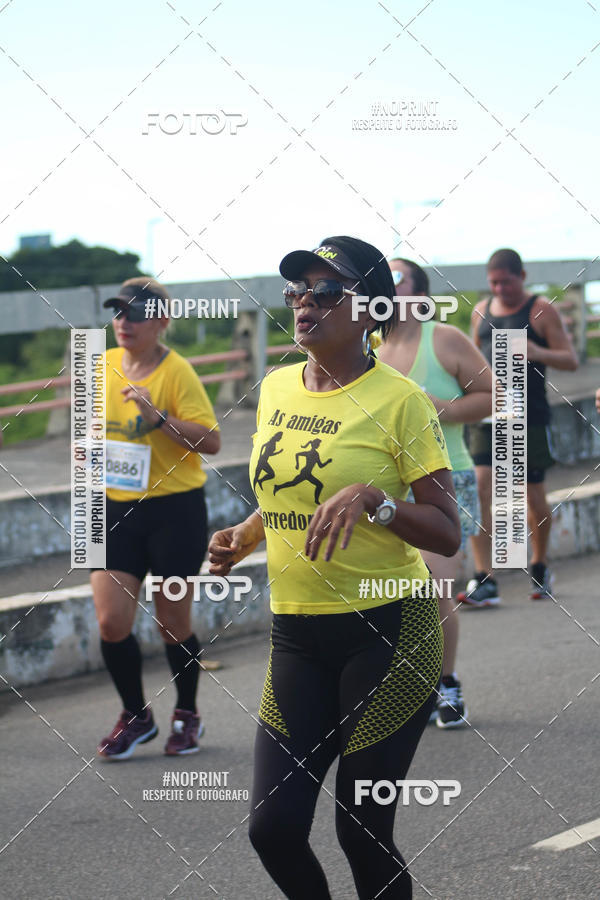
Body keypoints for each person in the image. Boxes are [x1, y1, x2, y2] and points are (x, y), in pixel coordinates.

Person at [208, 236, 461, 899]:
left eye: (325, 292)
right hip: (296, 636)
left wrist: (377, 502)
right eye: (297, 292)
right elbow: (288, 492)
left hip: (389, 635)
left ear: (372, 309)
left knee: (360, 828)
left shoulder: (399, 400)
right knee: (275, 829)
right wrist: (244, 533)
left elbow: (446, 529)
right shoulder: (275, 388)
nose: (304, 303)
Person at [92, 277, 220, 759]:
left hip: (174, 511)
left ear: (161, 322)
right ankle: (136, 715)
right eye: (118, 312)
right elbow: (88, 432)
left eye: (136, 314)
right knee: (111, 621)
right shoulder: (100, 365)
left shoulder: (177, 372)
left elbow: (210, 442)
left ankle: (187, 714)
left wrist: (158, 418)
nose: (124, 322)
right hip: (108, 505)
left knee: (172, 623)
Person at [379, 258, 492, 728]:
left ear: (420, 293)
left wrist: (439, 408)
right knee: (394, 595)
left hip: (447, 478)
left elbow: (492, 395)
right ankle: (407, 685)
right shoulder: (368, 348)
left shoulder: (442, 337)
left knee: (439, 588)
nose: (386, 285)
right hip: (388, 487)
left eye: (397, 277)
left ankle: (446, 683)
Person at [462, 249, 578, 604]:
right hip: (488, 413)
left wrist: (535, 351)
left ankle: (540, 565)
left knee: (532, 496)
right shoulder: (480, 311)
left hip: (528, 415)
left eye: (506, 281)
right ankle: (484, 579)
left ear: (522, 276)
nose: (500, 289)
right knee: (480, 486)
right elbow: (472, 360)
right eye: (494, 282)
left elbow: (571, 360)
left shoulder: (540, 310)